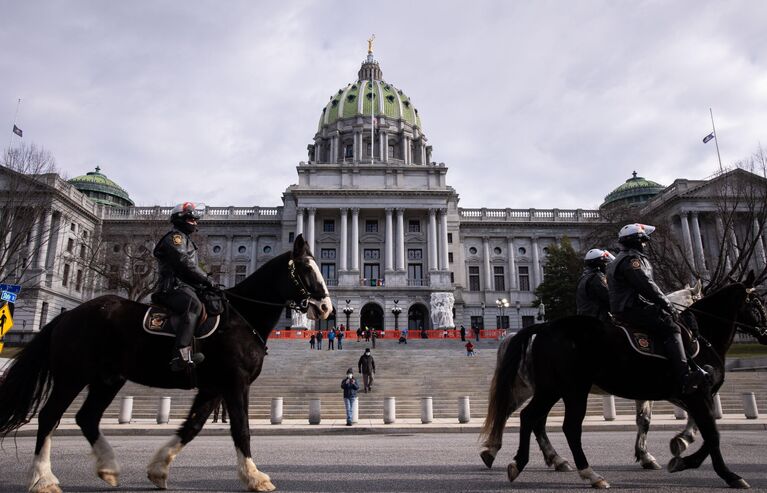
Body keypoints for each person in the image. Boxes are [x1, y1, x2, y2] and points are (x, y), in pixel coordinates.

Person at [607, 223, 707, 395]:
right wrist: (667, 304)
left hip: (626, 307)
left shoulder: (621, 259)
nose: (645, 244)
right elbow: (647, 286)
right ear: (638, 241)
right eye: (644, 241)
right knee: (671, 326)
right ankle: (683, 376)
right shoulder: (632, 260)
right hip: (632, 307)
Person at [153, 201, 211, 372]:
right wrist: (207, 280)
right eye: (191, 219)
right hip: (171, 287)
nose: (195, 222)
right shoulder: (175, 238)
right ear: (180, 220)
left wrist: (205, 284)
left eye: (195, 219)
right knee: (193, 305)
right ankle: (180, 355)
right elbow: (184, 263)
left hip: (184, 286)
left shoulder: (185, 240)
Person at [576, 248, 615, 322]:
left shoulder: (584, 277)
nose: (606, 265)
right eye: (605, 263)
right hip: (598, 319)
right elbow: (609, 298)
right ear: (600, 264)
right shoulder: (597, 278)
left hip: (585, 318)